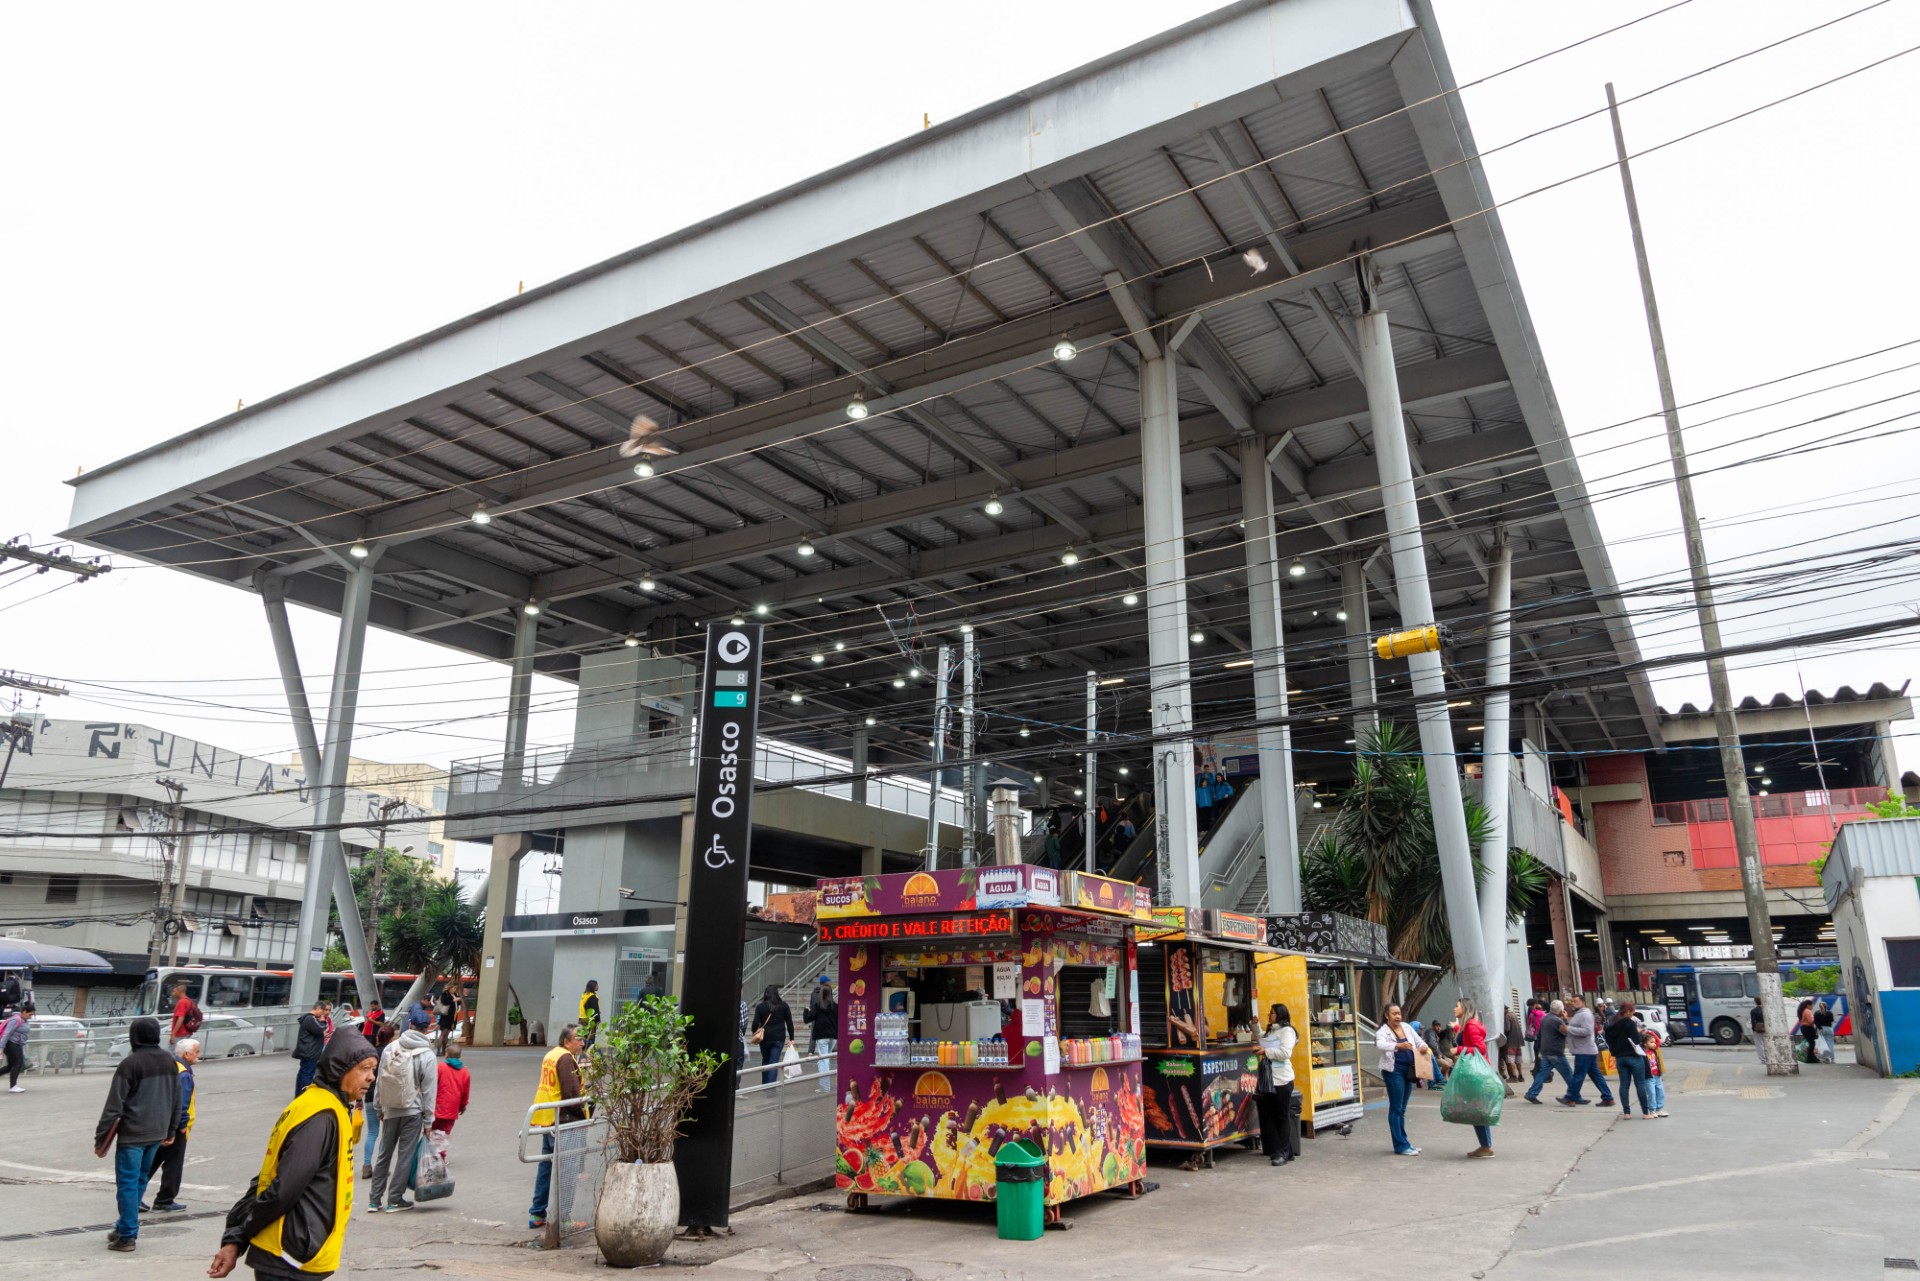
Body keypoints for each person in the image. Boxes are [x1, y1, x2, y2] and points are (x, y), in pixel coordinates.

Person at [208, 1028, 377, 1281]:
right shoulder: (321, 1115)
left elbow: (268, 1177)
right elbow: (282, 1188)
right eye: (364, 1068)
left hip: (294, 1253)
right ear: (340, 1067)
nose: (371, 1077)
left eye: (373, 1069)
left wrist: (236, 1237)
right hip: (290, 1256)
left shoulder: (322, 1105)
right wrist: (238, 1238)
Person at [93, 1016, 180, 1253]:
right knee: (140, 1180)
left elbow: (114, 1105)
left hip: (133, 1134)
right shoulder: (169, 1061)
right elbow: (176, 1099)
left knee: (128, 1183)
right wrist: (171, 1129)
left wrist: (101, 1137)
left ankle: (128, 1234)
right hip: (158, 1132)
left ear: (134, 1036)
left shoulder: (131, 1064)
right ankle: (123, 1227)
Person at [368, 1006, 437, 1214]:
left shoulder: (392, 1047)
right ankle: (395, 1200)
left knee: (384, 1154)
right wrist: (428, 1122)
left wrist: (379, 1106)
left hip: (389, 1108)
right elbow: (429, 1091)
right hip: (412, 1112)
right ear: (427, 1029)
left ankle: (374, 1200)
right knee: (404, 1156)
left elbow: (380, 1079)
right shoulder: (428, 1055)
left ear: (410, 1025)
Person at [528, 1023, 586, 1232]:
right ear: (566, 1041)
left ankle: (537, 1213)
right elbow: (571, 1095)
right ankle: (563, 1217)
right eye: (578, 1039)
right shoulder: (565, 1059)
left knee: (546, 1167)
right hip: (564, 1121)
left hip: (547, 1119)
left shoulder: (552, 1054)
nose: (582, 1042)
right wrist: (584, 1114)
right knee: (567, 1171)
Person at [141, 1036, 199, 1213]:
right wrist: (180, 1124)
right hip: (175, 1126)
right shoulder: (183, 1073)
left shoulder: (173, 1066)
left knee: (152, 1160)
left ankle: (134, 1195)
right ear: (187, 1054)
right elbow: (181, 1101)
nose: (199, 1055)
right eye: (196, 1052)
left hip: (162, 1122)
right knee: (173, 1164)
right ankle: (164, 1200)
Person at [1374, 1004, 1423, 1156]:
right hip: (1393, 1072)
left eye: (1399, 1013)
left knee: (1402, 1109)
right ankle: (1400, 1145)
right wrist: (1398, 1045)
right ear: (1387, 1016)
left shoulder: (1407, 1027)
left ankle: (1405, 1142)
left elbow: (1419, 1041)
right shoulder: (1382, 1031)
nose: (1397, 1016)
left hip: (1408, 1071)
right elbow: (1380, 1045)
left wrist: (1423, 1047)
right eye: (1394, 1014)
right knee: (1396, 1108)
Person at [1254, 1003, 1299, 1166]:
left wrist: (1266, 1052)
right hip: (1271, 1079)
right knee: (1273, 1116)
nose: (1269, 1015)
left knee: (1281, 1116)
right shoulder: (1273, 1030)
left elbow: (1285, 1053)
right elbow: (1262, 1039)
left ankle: (1283, 1152)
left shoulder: (1287, 1031)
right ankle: (1284, 1150)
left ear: (1279, 1014)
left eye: (1272, 1013)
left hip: (1282, 1080)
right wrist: (1255, 1024)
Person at [1453, 999, 1496, 1157]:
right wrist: (1456, 1027)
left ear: (1464, 1008)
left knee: (1477, 1109)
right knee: (1476, 1109)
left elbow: (1480, 1048)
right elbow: (1470, 1038)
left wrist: (1457, 1049)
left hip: (1476, 1072)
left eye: (1457, 1005)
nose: (1454, 1008)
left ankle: (1486, 1147)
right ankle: (1485, 1145)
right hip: (1474, 1071)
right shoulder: (1469, 1025)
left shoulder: (1471, 1024)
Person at [359, 1015, 398, 1180]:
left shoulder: (370, 1053)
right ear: (391, 1038)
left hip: (368, 1095)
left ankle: (366, 1165)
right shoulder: (392, 1053)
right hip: (385, 1097)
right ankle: (382, 1166)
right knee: (386, 1134)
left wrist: (358, 1098)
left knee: (372, 1132)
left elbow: (361, 1075)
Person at [1561, 996, 1614, 1108]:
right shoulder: (1580, 1014)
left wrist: (1568, 1029)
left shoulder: (1585, 1014)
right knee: (1595, 1075)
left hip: (1584, 1050)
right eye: (1573, 1002)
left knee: (1578, 1075)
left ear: (1583, 1002)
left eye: (1576, 1001)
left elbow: (1586, 1031)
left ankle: (1570, 1097)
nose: (1574, 1003)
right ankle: (1608, 1098)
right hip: (1585, 1050)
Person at [1604, 1001, 1653, 1118]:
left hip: (1620, 1058)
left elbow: (1609, 1040)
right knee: (1640, 1084)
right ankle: (1645, 1113)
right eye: (1632, 1012)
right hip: (1634, 1057)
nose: (1633, 1015)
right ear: (1628, 1011)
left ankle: (1627, 1113)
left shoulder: (1611, 1024)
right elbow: (1636, 1040)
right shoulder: (1629, 1023)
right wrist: (1639, 1033)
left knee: (1624, 1085)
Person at [1525, 999, 1576, 1104]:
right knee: (1569, 1074)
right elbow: (1566, 1032)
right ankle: (1574, 1095)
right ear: (1561, 1010)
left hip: (1545, 1051)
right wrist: (1565, 1019)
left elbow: (1539, 1035)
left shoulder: (1544, 1018)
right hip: (1556, 1052)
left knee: (1542, 1073)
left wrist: (1539, 1049)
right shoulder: (1558, 1021)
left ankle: (1531, 1093)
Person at [751, 984, 795, 1086]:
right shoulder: (784, 1006)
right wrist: (792, 1038)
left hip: (764, 1039)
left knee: (765, 1060)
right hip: (779, 1039)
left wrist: (754, 1032)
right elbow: (789, 1023)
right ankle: (771, 1088)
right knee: (774, 1062)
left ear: (766, 994)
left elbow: (755, 1023)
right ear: (777, 993)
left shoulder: (760, 1007)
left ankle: (765, 1085)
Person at [803, 977, 838, 1094]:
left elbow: (808, 1019)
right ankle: (824, 1085)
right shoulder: (835, 1006)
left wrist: (806, 1011)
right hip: (833, 1036)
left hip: (822, 1036)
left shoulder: (818, 1006)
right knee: (824, 1059)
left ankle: (825, 1086)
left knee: (824, 1060)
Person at [293, 1000, 332, 1096]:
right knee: (307, 1074)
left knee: (303, 1072)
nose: (324, 1014)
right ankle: (303, 1094)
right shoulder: (311, 1019)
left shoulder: (308, 1019)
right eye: (323, 1011)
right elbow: (319, 1029)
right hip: (311, 1052)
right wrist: (323, 1021)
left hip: (307, 1051)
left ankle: (299, 1094)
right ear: (318, 1009)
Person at [434, 1053, 471, 1137]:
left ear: (446, 1054)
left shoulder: (440, 1067)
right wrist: (463, 1106)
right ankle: (440, 1150)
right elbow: (466, 1092)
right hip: (452, 1109)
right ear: (460, 1056)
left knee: (432, 1131)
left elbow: (433, 1086)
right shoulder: (465, 1072)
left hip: (437, 1107)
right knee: (444, 1134)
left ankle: (430, 1149)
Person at [2, 1000, 31, 1092]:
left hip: (16, 1043)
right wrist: (1, 1047)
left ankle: (13, 1086)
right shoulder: (16, 1019)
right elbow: (7, 1033)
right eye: (30, 1014)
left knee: (11, 1066)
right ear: (24, 1012)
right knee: (18, 1063)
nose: (30, 1017)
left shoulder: (23, 1020)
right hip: (11, 1044)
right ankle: (13, 1086)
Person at [1641, 1025, 1669, 1118]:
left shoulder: (1654, 1050)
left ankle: (1659, 1109)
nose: (1654, 1044)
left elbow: (1658, 1041)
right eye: (1651, 1042)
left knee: (1660, 1092)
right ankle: (1652, 1110)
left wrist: (1651, 1033)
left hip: (1657, 1075)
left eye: (1654, 1042)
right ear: (1645, 1043)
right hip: (1649, 1077)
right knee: (1651, 1093)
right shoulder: (1643, 1052)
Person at [170, 983, 203, 1048]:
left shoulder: (181, 1002)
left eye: (174, 991)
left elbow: (180, 1018)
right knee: (182, 1053)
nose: (172, 993)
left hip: (180, 1033)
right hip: (187, 1032)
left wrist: (173, 1034)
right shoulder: (189, 1001)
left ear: (180, 991)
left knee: (173, 1054)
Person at [1501, 1005, 1526, 1083]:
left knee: (1510, 1060)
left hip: (1511, 1041)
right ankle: (1520, 1075)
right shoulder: (1513, 1014)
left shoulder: (1507, 1016)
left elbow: (1507, 1028)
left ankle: (1513, 1077)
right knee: (1518, 1060)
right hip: (1518, 1041)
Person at [434, 988, 459, 1057]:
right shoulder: (445, 994)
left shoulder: (455, 994)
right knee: (443, 1033)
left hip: (453, 1017)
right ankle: (438, 1051)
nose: (454, 989)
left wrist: (458, 999)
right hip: (446, 1016)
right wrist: (453, 1000)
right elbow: (445, 1002)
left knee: (447, 1034)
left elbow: (458, 1003)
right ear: (449, 988)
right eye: (453, 988)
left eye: (455, 988)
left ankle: (444, 1050)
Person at [1797, 1000, 1822, 1065]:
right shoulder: (1807, 1011)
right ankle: (1810, 1058)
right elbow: (1810, 1021)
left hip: (1804, 1028)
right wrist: (1816, 1019)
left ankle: (1812, 1057)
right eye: (1811, 1005)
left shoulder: (1803, 1010)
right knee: (1812, 1043)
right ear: (1808, 1005)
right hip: (1808, 1028)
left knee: (1811, 1043)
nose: (1812, 1006)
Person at [578, 981, 602, 1050]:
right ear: (593, 986)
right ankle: (588, 1055)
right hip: (590, 1020)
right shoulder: (592, 997)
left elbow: (586, 1006)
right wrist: (598, 1020)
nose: (598, 986)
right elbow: (595, 1010)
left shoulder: (585, 995)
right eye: (596, 985)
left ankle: (581, 1054)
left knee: (582, 1038)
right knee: (590, 1039)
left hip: (582, 1019)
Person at [1749, 995, 1766, 1065]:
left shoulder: (1753, 1011)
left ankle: (1763, 1059)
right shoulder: (1766, 1009)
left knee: (1760, 1044)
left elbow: (1753, 1022)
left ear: (1755, 1002)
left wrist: (1754, 1029)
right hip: (1767, 1028)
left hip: (1758, 1029)